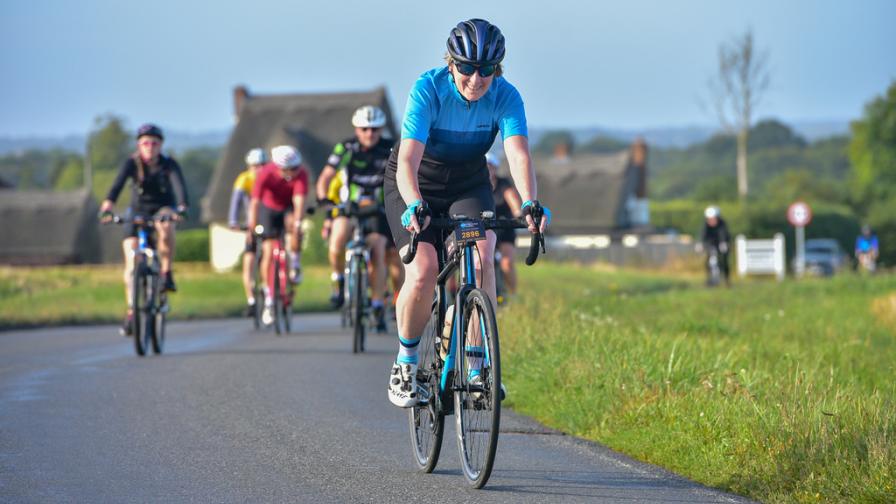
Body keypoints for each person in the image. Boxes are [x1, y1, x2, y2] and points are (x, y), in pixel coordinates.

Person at [384, 19, 550, 407]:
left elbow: (517, 152)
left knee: (482, 255)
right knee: (423, 270)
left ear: (498, 68)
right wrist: (413, 204)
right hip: (415, 182)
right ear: (451, 63)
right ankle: (406, 363)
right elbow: (408, 159)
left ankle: (477, 367)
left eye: (487, 70)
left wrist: (529, 202)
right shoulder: (428, 89)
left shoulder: (507, 97)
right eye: (467, 68)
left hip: (467, 183)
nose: (476, 79)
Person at [99, 124, 189, 336]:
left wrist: (182, 208)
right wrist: (107, 206)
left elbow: (180, 188)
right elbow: (116, 186)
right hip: (138, 210)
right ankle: (132, 311)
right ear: (139, 145)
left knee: (166, 226)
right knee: (131, 262)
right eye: (145, 143)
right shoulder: (131, 163)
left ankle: (166, 273)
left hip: (163, 207)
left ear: (161, 145)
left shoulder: (169, 164)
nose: (150, 147)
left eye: (154, 143)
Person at [315, 105, 395, 332]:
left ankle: (378, 303)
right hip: (350, 205)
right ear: (356, 130)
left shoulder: (390, 147)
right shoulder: (346, 147)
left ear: (381, 130)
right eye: (364, 129)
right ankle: (338, 279)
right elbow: (326, 177)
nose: (370, 134)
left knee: (378, 249)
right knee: (338, 239)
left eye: (375, 129)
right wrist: (323, 198)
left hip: (378, 207)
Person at [247, 145, 308, 326]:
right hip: (269, 209)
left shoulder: (301, 174)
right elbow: (255, 202)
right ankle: (269, 297)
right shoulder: (266, 173)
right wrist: (252, 226)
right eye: (291, 170)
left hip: (288, 208)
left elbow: (299, 201)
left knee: (294, 226)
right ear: (280, 167)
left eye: (296, 168)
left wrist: (298, 222)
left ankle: (295, 263)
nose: (294, 173)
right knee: (268, 250)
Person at [228, 148, 268, 317]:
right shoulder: (244, 180)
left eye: (261, 166)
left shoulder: (269, 179)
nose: (258, 169)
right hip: (250, 223)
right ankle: (251, 300)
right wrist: (233, 221)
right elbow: (235, 202)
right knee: (249, 260)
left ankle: (268, 287)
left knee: (269, 253)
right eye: (254, 166)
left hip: (267, 222)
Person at [486, 152, 522, 300]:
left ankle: (513, 295)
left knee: (507, 263)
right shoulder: (476, 185)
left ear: (495, 168)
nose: (488, 170)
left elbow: (512, 199)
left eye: (490, 166)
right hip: (486, 228)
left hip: (504, 227)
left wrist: (519, 213)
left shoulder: (503, 184)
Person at [700, 206, 731, 286]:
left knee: (724, 261)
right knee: (708, 262)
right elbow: (703, 235)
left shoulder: (722, 224)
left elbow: (724, 234)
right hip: (711, 244)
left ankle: (726, 280)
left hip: (721, 244)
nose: (712, 221)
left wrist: (724, 242)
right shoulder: (706, 225)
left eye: (713, 219)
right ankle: (710, 280)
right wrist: (701, 243)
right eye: (710, 219)